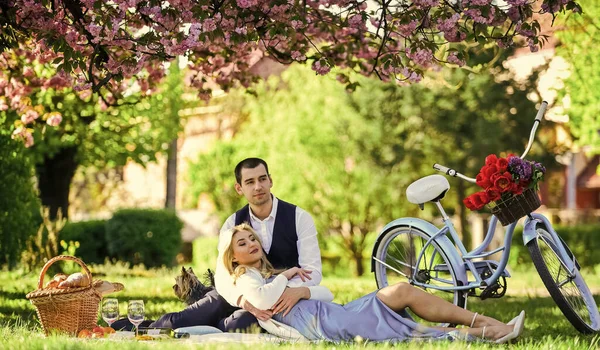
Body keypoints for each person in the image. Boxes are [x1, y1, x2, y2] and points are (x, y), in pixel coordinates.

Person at [221, 223, 526, 344]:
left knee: (402, 290)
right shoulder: (246, 280)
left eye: (252, 238)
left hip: (335, 311)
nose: (250, 244)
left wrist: (302, 289)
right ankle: (492, 332)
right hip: (326, 326)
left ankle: (486, 321)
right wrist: (288, 276)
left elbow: (327, 293)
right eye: (242, 243)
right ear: (233, 258)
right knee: (413, 333)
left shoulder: (269, 278)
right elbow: (262, 301)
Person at [117, 157, 323, 332]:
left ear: (270, 181)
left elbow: (312, 271)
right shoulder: (232, 223)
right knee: (184, 320)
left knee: (239, 325)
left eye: (262, 179)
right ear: (239, 188)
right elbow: (223, 276)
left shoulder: (299, 218)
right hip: (236, 294)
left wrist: (286, 293)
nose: (258, 186)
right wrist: (244, 302)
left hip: (281, 299)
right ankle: (136, 327)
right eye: (250, 182)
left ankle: (217, 325)